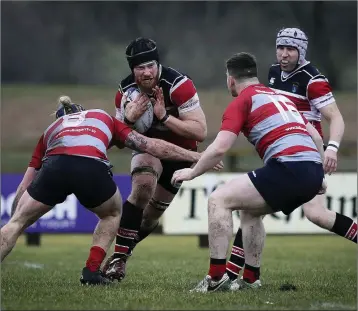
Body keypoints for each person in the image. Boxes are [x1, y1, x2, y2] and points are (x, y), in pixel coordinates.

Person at [1, 95, 204, 286]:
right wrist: (194, 156)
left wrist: (16, 217)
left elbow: (24, 185)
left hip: (55, 164)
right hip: (90, 165)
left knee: (16, 223)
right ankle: (91, 271)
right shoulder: (101, 116)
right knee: (112, 213)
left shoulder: (50, 130)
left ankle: (12, 229)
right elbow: (152, 146)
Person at [171, 52, 327, 293]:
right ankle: (252, 279)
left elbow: (220, 147)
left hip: (288, 168)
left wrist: (191, 173)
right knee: (250, 211)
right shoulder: (282, 98)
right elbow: (316, 136)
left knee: (218, 200)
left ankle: (215, 279)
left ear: (231, 80)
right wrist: (320, 176)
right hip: (312, 169)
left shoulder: (242, 101)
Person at [225, 28, 357, 284]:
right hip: (283, 151)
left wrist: (332, 148)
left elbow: (336, 117)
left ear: (302, 51)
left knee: (313, 214)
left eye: (291, 49)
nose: (284, 54)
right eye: (281, 48)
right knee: (255, 208)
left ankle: (237, 274)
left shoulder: (313, 80)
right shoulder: (274, 73)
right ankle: (241, 275)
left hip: (307, 152)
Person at [102, 37, 215, 281]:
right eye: (140, 68)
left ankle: (120, 253)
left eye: (150, 65)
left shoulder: (178, 85)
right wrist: (129, 120)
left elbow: (200, 132)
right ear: (132, 69)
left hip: (180, 154)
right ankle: (119, 261)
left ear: (158, 64)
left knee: (151, 216)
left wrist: (164, 117)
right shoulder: (124, 93)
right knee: (142, 188)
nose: (146, 72)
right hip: (149, 149)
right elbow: (119, 140)